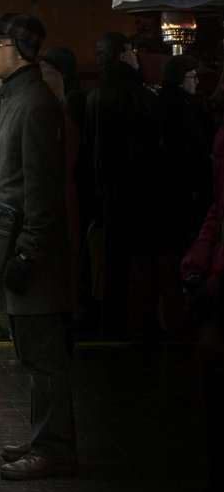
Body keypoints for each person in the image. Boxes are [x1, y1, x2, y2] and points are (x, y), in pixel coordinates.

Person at [0, 13, 76, 480]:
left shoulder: (33, 104)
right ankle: (43, 437)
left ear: (21, 49)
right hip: (18, 256)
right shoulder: (17, 99)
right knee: (33, 356)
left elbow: (43, 194)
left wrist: (26, 256)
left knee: (45, 359)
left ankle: (55, 446)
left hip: (33, 262)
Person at [82, 32, 161, 341]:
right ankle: (133, 324)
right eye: (131, 51)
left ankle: (109, 323)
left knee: (110, 265)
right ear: (121, 55)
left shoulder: (95, 93)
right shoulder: (136, 94)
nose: (136, 56)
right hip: (134, 193)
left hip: (106, 193)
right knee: (135, 265)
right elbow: (150, 146)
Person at [147, 55, 212, 340]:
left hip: (173, 199)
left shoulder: (169, 106)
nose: (197, 82)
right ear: (180, 79)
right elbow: (192, 154)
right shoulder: (180, 110)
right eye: (192, 77)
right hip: (180, 199)